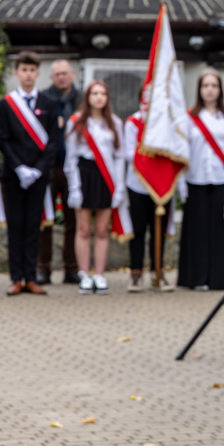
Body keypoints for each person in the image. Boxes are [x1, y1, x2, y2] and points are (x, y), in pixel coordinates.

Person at [0, 51, 59, 296]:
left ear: (38, 73)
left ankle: (31, 277)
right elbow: (3, 139)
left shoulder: (49, 103)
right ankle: (16, 278)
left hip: (38, 176)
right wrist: (19, 167)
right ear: (16, 73)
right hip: (13, 175)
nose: (28, 74)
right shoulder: (4, 105)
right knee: (15, 226)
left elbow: (53, 141)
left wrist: (38, 169)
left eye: (32, 70)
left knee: (33, 226)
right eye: (24, 70)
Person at [177, 68, 224, 290]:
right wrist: (181, 181)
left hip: (222, 180)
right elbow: (182, 150)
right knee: (196, 230)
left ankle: (219, 279)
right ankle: (196, 278)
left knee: (221, 231)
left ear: (220, 89)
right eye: (205, 85)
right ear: (199, 89)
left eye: (214, 85)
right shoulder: (189, 117)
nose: (209, 90)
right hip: (195, 179)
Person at [64, 80, 129, 295]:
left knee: (102, 230)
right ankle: (84, 274)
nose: (99, 97)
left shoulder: (115, 123)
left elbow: (120, 156)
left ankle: (100, 275)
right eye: (95, 93)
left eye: (103, 93)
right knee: (83, 229)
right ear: (88, 97)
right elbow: (71, 158)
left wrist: (119, 187)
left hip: (106, 177)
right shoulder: (76, 122)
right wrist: (74, 187)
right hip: (84, 175)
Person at [37, 59, 81, 285]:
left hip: (75, 168)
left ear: (72, 74)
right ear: (51, 78)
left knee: (74, 221)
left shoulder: (82, 99)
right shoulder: (43, 99)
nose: (62, 77)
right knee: (46, 219)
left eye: (65, 73)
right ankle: (43, 268)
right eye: (57, 74)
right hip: (49, 166)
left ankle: (71, 268)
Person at [124, 83, 170, 292]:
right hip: (138, 183)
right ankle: (136, 271)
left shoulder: (167, 123)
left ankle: (157, 270)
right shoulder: (133, 123)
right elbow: (128, 153)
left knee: (158, 228)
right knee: (138, 230)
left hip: (162, 183)